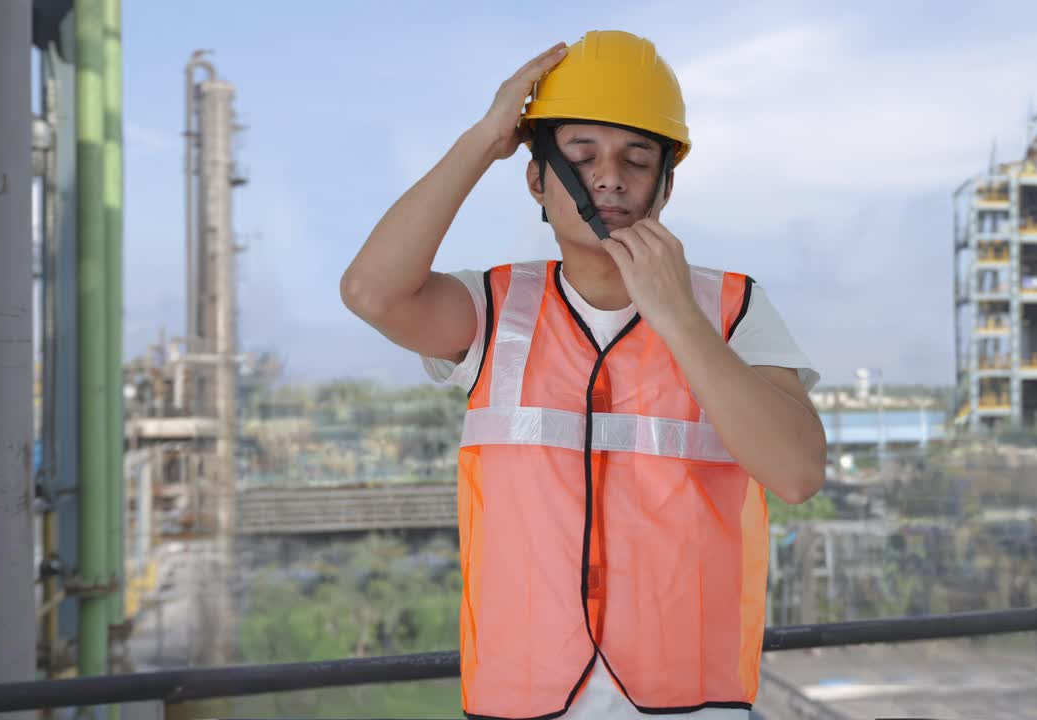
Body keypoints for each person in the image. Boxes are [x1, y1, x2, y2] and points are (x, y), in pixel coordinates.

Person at [341, 30, 826, 720]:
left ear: (665, 184)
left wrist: (676, 315)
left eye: (637, 158)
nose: (609, 177)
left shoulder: (731, 308)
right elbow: (370, 292)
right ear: (537, 178)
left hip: (690, 702)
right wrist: (485, 138)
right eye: (581, 153)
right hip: (522, 699)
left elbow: (798, 473)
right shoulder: (495, 308)